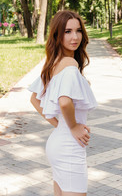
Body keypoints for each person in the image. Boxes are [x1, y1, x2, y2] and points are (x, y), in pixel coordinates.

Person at [28, 10, 97, 196]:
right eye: (67, 31)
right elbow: (64, 102)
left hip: (58, 143)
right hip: (69, 147)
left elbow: (34, 99)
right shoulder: (70, 65)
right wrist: (72, 126)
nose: (75, 37)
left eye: (78, 30)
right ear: (57, 34)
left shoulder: (53, 63)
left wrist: (61, 125)